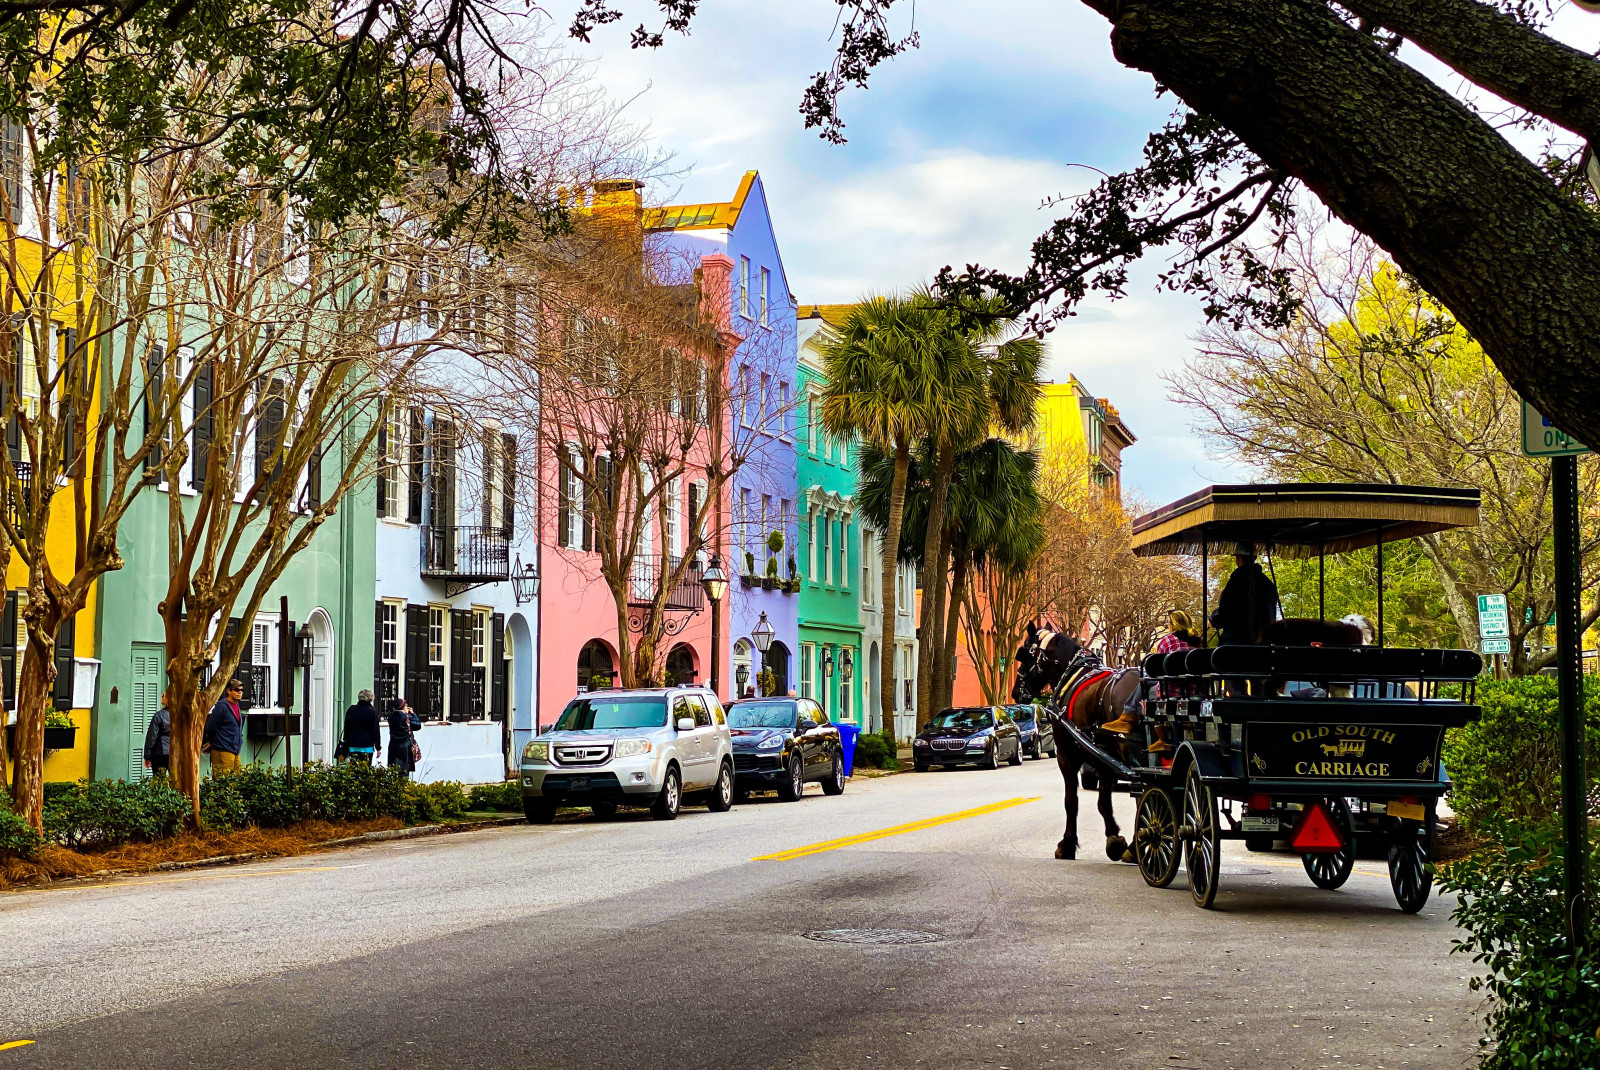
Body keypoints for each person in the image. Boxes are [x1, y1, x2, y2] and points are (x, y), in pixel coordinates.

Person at [1210, 545, 1280, 645]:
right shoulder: (1268, 583)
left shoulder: (1236, 581)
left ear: (1238, 558)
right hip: (1263, 644)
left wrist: (1213, 619)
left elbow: (1225, 614)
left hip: (1237, 644)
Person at [202, 678, 246, 775]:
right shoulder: (222, 706)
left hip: (235, 749)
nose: (240, 692)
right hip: (223, 749)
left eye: (241, 690)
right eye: (237, 690)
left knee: (237, 781)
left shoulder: (237, 706)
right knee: (224, 781)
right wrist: (214, 742)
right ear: (229, 691)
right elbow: (210, 728)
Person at [341, 689, 383, 765]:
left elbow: (346, 727)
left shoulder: (351, 709)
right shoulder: (372, 712)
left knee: (354, 770)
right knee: (365, 770)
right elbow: (375, 731)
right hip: (367, 746)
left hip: (353, 745)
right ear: (371, 699)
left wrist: (346, 741)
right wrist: (378, 747)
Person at [386, 697, 422, 777]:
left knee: (394, 772)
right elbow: (417, 725)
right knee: (404, 772)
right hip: (405, 748)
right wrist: (413, 714)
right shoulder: (406, 718)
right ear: (403, 707)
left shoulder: (391, 718)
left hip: (393, 747)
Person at [143, 703, 171, 777]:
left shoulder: (160, 715)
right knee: (175, 783)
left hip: (160, 753)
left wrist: (147, 756)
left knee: (158, 783)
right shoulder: (181, 716)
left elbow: (151, 737)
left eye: (164, 695)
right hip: (176, 754)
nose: (162, 696)